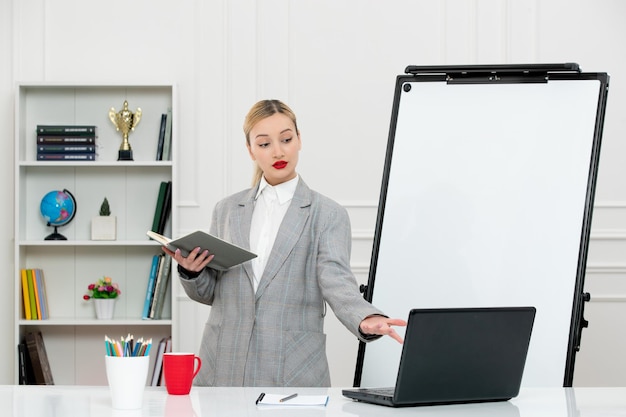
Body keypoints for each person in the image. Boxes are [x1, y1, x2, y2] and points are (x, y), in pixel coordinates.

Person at [162, 99, 406, 387]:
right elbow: (211, 293)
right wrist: (192, 272)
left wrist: (364, 317)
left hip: (292, 366)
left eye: (286, 139)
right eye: (264, 144)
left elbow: (336, 280)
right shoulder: (226, 210)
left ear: (299, 140)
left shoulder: (327, 214)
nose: (278, 151)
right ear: (250, 149)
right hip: (224, 361)